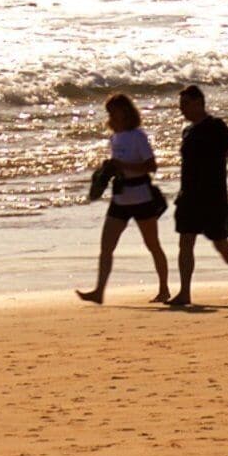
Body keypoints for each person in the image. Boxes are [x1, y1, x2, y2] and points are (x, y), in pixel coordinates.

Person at [77, 93, 171, 304]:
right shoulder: (114, 137)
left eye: (114, 110)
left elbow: (151, 166)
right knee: (106, 246)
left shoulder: (137, 136)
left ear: (125, 111)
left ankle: (164, 288)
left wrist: (123, 166)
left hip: (141, 196)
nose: (110, 115)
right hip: (120, 198)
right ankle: (99, 290)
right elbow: (117, 165)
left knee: (152, 244)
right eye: (109, 111)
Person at [168, 84, 228, 308]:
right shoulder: (187, 131)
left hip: (212, 196)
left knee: (220, 242)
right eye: (181, 105)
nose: (182, 109)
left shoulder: (216, 126)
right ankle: (185, 292)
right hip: (188, 196)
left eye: (185, 104)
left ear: (199, 103)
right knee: (185, 242)